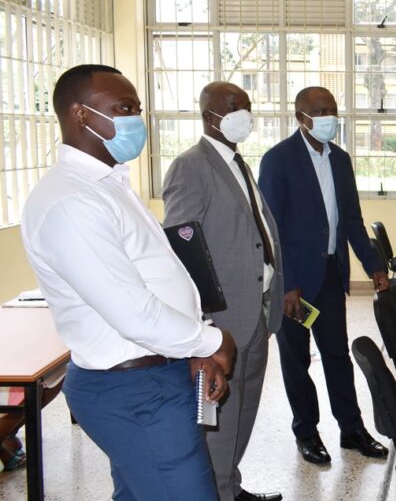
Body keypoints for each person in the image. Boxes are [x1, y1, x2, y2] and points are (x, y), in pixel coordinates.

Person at [20, 64, 236, 500]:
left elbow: (154, 281)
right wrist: (209, 342)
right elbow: (133, 312)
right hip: (134, 391)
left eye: (137, 108)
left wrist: (188, 351)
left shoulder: (108, 184)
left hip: (154, 375)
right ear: (80, 115)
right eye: (124, 108)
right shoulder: (71, 200)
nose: (137, 120)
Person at [162, 81, 284, 501]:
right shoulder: (191, 166)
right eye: (234, 107)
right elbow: (182, 249)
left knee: (244, 409)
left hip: (256, 312)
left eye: (248, 107)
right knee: (218, 419)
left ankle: (230, 486)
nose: (243, 115)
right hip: (222, 319)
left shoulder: (237, 163)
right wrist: (202, 323)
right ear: (208, 114)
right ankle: (215, 492)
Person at [258, 86, 390, 465]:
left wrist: (374, 264)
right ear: (300, 116)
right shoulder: (278, 160)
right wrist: (287, 283)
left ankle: (351, 429)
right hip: (293, 286)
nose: (330, 117)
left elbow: (351, 220)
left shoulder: (341, 160)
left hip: (330, 275)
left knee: (336, 355)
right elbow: (272, 229)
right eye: (320, 111)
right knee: (296, 361)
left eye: (333, 109)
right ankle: (307, 432)